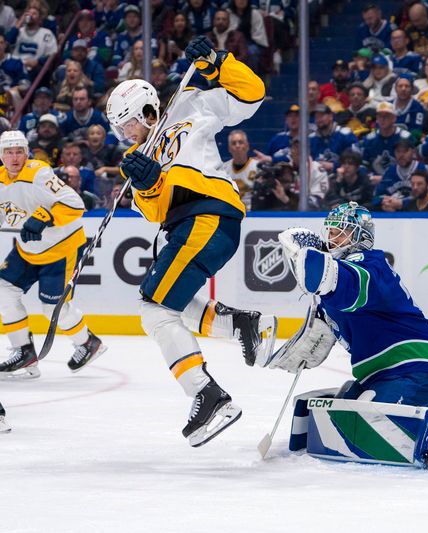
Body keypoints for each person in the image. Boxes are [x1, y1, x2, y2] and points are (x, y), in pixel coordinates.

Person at [105, 36, 277, 447]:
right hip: (187, 223)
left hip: (209, 212)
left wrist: (218, 62)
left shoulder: (191, 103)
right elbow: (154, 211)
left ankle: (207, 394)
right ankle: (242, 323)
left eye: (128, 124)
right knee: (166, 305)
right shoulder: (143, 154)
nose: (126, 134)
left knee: (155, 308)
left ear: (147, 110)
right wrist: (147, 184)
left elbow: (252, 94)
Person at [275, 202, 428, 468]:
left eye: (341, 233)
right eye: (330, 232)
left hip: (417, 366)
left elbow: (341, 281)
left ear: (361, 237)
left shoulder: (369, 264)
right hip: (382, 373)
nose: (331, 239)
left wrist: (311, 259)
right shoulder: (331, 289)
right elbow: (321, 326)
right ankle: (424, 425)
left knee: (368, 419)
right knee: (344, 410)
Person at [0, 130, 105, 379]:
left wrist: (43, 217)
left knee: (51, 309)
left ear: (27, 153)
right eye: (8, 152)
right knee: (3, 290)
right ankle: (24, 353)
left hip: (61, 247)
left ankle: (88, 343)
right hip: (28, 250)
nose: (14, 157)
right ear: (1, 156)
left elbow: (75, 203)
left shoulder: (39, 173)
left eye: (19, 151)